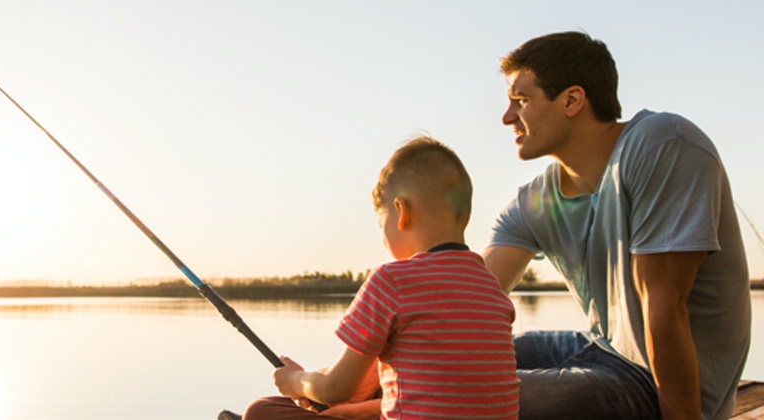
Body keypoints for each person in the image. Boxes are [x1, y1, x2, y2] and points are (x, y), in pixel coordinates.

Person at [485, 31, 751, 420]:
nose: (507, 117)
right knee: (442, 365)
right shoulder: (537, 200)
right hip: (601, 350)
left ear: (572, 100)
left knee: (466, 398)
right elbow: (469, 301)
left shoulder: (662, 144)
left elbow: (665, 312)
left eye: (521, 101)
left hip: (660, 386)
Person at [239, 136, 519, 420]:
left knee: (262, 411)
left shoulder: (392, 280)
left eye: (380, 222)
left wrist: (296, 380)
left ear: (401, 212)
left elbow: (336, 389)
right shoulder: (490, 286)